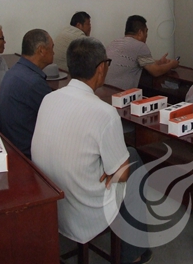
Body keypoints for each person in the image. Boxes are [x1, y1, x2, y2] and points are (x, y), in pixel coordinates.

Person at [31, 37, 151, 264]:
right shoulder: (105, 113)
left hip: (53, 201)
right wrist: (113, 168)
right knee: (133, 165)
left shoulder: (49, 98)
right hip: (84, 209)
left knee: (124, 158)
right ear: (101, 68)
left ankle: (135, 249)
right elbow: (122, 174)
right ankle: (133, 254)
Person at [0, 29, 54, 159]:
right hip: (27, 153)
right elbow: (59, 117)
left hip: (12, 144)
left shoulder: (14, 71)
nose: (54, 52)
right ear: (41, 50)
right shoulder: (33, 82)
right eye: (52, 47)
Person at [105, 15, 179, 90]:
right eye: (146, 31)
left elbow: (138, 61)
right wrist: (172, 64)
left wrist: (159, 62)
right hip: (121, 93)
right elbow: (156, 71)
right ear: (140, 32)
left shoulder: (114, 43)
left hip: (105, 90)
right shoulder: (139, 46)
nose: (146, 35)